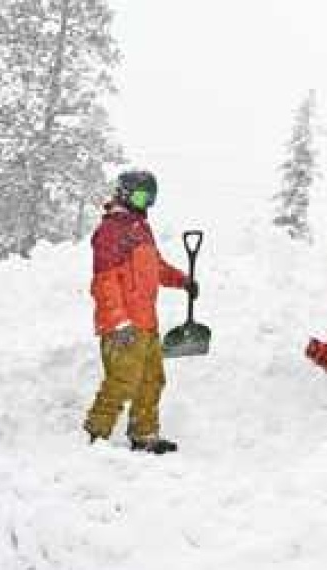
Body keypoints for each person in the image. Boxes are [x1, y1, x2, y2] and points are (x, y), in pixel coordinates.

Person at [84, 169, 197, 454]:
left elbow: (156, 268)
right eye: (140, 196)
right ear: (124, 193)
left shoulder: (140, 230)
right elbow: (104, 281)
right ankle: (95, 436)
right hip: (123, 326)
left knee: (152, 380)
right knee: (120, 382)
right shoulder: (110, 231)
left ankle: (144, 434)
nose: (145, 203)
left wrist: (183, 281)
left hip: (146, 324)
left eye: (150, 198)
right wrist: (118, 322)